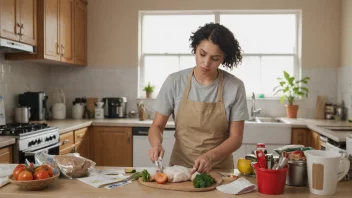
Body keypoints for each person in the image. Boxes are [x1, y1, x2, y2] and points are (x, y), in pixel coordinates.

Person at [148, 22, 249, 174]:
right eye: (202, 54)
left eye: (215, 58)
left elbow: (236, 138)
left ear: (224, 58)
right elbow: (156, 127)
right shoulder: (175, 82)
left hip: (220, 169)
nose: (206, 63)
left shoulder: (235, 86)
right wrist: (156, 144)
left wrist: (210, 157)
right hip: (180, 170)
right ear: (195, 48)